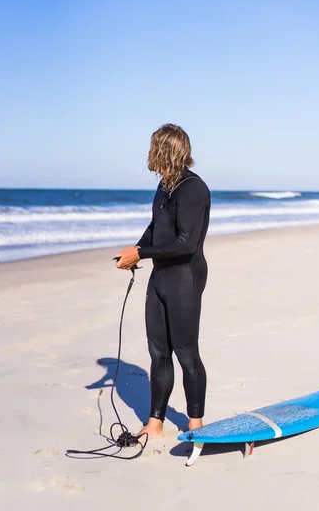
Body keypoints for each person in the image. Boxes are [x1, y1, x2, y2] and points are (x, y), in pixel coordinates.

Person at [115, 123, 211, 439]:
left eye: (153, 147)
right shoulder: (165, 187)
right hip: (160, 277)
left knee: (186, 352)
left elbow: (186, 244)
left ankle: (195, 423)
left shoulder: (193, 189)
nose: (149, 153)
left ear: (164, 150)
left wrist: (141, 254)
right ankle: (155, 423)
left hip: (184, 278)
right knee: (158, 352)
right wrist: (134, 251)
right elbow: (156, 227)